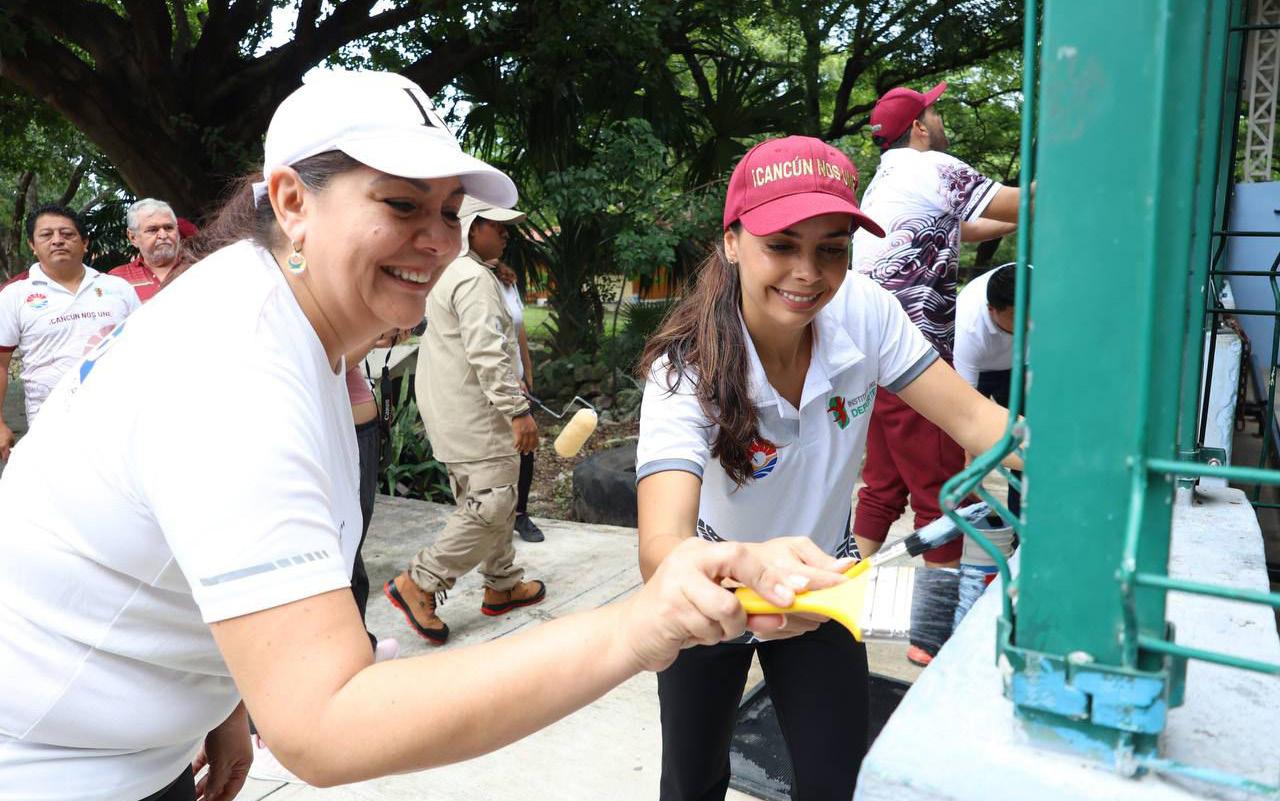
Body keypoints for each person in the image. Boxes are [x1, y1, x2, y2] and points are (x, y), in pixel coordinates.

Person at [0, 70, 832, 801]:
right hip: (49, 765)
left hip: (130, 748)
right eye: (401, 204)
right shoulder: (234, 367)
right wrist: (639, 625)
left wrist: (222, 697)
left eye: (449, 211)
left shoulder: (286, 318)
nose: (437, 240)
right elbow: (326, 721)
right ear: (292, 202)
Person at [636, 135, 1019, 801]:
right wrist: (752, 576)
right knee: (693, 781)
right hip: (712, 590)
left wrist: (1081, 470)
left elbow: (974, 419)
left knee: (836, 780)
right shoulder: (685, 372)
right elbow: (661, 550)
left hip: (825, 585)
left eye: (831, 248)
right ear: (732, 242)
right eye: (781, 245)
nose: (808, 273)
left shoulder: (864, 311)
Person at [850, 81, 1026, 665]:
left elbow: (963, 227)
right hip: (915, 361)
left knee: (883, 487)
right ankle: (930, 639)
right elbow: (1020, 203)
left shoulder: (886, 179)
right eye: (935, 111)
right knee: (944, 492)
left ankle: (841, 606)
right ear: (921, 127)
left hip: (872, 359)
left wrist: (1008, 221)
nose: (940, 118)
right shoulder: (932, 167)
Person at [384, 197, 544, 644]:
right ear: (473, 228)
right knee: (493, 502)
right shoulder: (472, 278)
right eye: (497, 225)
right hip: (476, 412)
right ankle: (421, 581)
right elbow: (487, 352)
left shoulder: (449, 272)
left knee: (488, 498)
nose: (506, 233)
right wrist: (517, 410)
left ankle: (503, 583)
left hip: (450, 409)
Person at [0, 203, 139, 459]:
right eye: (46, 235)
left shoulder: (118, 288)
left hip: (121, 420)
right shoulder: (14, 296)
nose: (57, 240)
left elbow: (142, 350)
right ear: (32, 245)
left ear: (84, 243)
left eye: (67, 234)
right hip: (52, 427)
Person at [954, 262, 1021, 516]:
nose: (1029, 323)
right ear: (991, 309)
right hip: (980, 371)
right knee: (964, 456)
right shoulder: (968, 327)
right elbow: (964, 410)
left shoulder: (1043, 296)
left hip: (1021, 365)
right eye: (1017, 316)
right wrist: (970, 462)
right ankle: (968, 508)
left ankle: (1021, 528)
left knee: (1025, 440)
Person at [492, 257, 545, 542]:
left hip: (517, 382)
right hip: (486, 384)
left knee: (525, 447)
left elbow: (518, 328)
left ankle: (520, 514)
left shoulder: (507, 282)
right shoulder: (469, 280)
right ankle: (493, 520)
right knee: (492, 453)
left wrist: (527, 371)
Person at [110, 198, 185, 302]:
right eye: (152, 230)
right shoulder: (117, 280)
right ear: (133, 238)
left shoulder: (198, 265)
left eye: (168, 228)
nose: (163, 235)